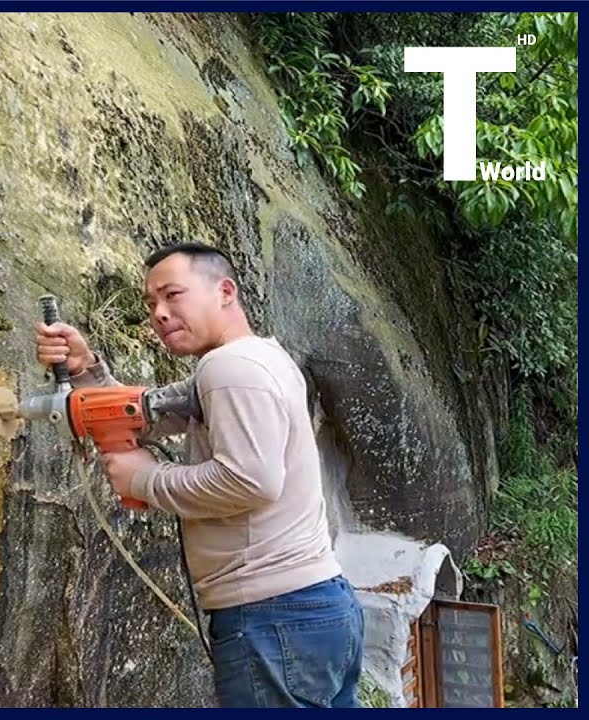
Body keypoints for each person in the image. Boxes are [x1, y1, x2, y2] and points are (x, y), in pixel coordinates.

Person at [33, 242, 364, 708]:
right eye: (151, 303)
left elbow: (250, 481)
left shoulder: (229, 368)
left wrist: (143, 479)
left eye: (173, 295)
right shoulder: (258, 358)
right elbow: (144, 411)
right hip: (314, 611)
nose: (160, 313)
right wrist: (85, 367)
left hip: (273, 617)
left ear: (225, 291)